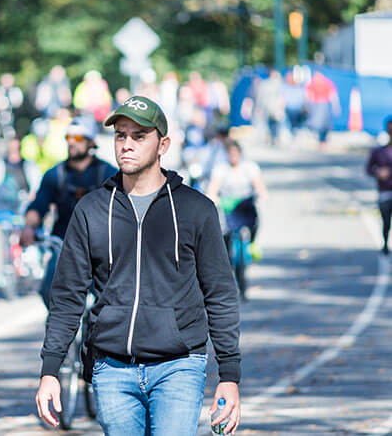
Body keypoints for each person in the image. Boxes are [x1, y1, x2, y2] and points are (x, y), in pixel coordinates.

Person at [35, 96, 241, 435]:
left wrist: (229, 376)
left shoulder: (195, 209)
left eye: (139, 136)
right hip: (112, 369)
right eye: (120, 135)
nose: (127, 145)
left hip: (179, 366)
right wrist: (50, 370)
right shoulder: (91, 210)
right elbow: (67, 297)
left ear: (163, 144)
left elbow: (220, 294)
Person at [21, 115, 116, 308]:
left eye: (78, 138)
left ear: (90, 142)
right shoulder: (55, 175)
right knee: (49, 289)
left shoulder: (108, 173)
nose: (72, 142)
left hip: (102, 247)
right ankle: (65, 333)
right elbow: (38, 205)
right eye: (68, 138)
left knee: (113, 296)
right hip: (64, 244)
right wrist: (29, 227)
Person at [206, 139, 269, 286]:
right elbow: (212, 189)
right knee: (224, 235)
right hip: (228, 210)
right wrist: (213, 197)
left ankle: (252, 244)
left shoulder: (249, 168)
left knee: (255, 222)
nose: (233, 156)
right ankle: (227, 261)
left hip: (245, 207)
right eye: (230, 154)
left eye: (236, 153)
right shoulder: (221, 169)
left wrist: (261, 195)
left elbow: (259, 186)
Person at [365, 118, 392, 255]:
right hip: (385, 191)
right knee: (386, 221)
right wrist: (378, 172)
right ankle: (385, 243)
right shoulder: (379, 152)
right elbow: (369, 169)